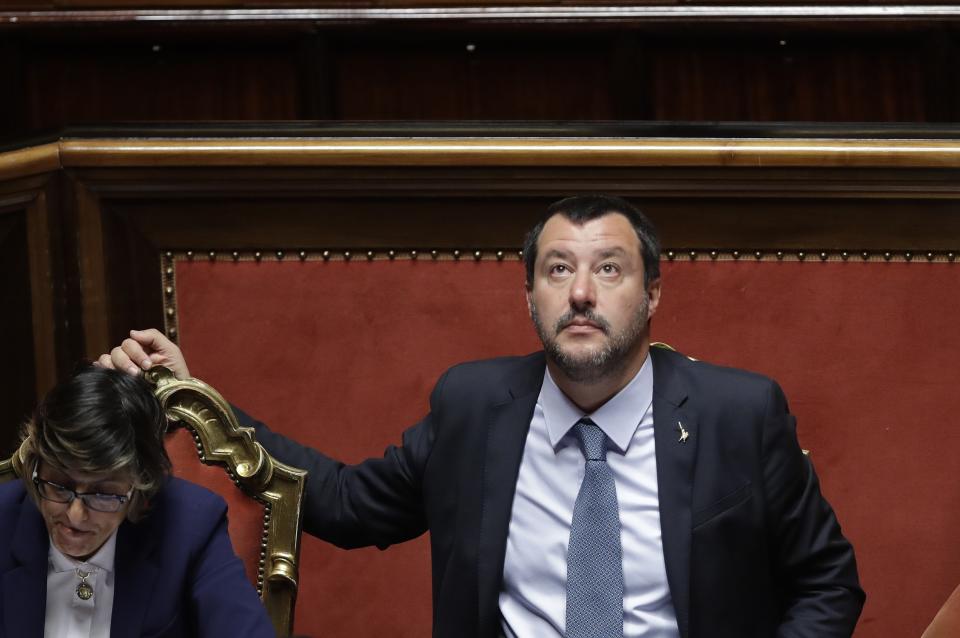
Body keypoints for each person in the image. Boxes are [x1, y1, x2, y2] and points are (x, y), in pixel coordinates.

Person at [100, 195, 865, 637]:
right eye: (558, 270)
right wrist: (205, 401)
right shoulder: (475, 409)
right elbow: (339, 502)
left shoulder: (740, 412)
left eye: (609, 269)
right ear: (529, 296)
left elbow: (830, 582)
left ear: (653, 293)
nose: (583, 293)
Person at [0, 365, 275, 638]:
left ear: (141, 487)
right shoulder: (5, 516)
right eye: (59, 486)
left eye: (103, 494)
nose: (75, 515)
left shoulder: (190, 525)